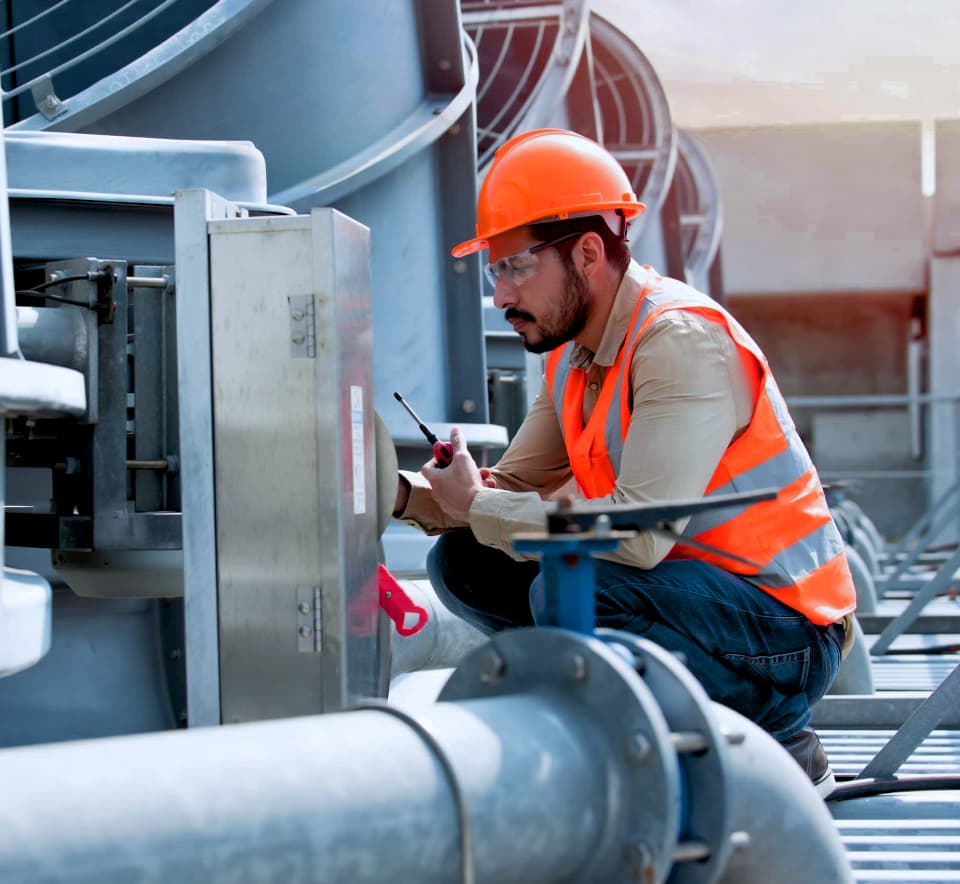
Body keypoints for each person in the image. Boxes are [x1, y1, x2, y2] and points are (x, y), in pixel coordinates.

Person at [393, 128, 856, 796]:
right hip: (683, 596)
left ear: (586, 253)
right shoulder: (572, 356)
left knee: (571, 585)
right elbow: (507, 490)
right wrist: (398, 492)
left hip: (785, 628)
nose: (501, 296)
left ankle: (779, 735)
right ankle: (606, 724)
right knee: (465, 562)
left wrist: (481, 505)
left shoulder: (679, 341)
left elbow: (637, 537)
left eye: (516, 266)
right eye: (495, 270)